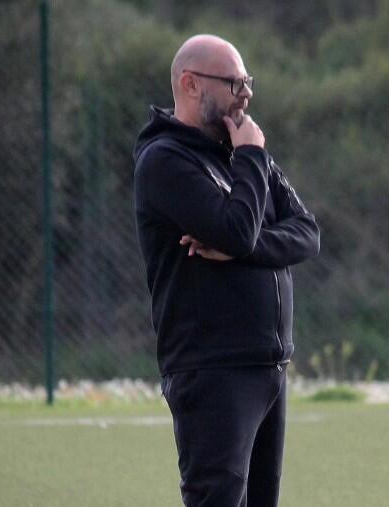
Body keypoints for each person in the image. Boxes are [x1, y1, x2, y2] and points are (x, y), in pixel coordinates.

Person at [133, 34, 320, 507]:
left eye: (247, 81)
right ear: (191, 84)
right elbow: (237, 230)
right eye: (234, 82)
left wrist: (244, 248)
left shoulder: (242, 151)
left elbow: (307, 233)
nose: (246, 94)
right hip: (213, 371)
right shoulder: (165, 161)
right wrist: (252, 158)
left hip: (267, 367)